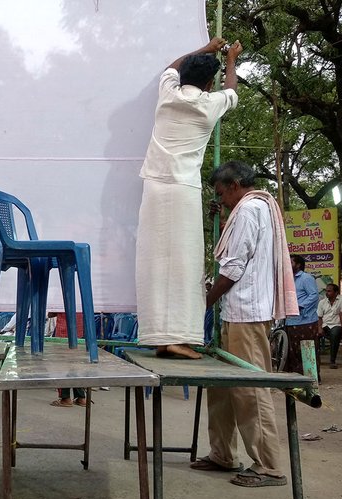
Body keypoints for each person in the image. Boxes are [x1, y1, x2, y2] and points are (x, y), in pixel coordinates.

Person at [191, 160, 297, 488]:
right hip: (236, 312)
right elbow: (237, 250)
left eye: (222, 193)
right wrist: (221, 217)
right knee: (222, 386)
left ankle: (268, 465)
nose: (221, 200)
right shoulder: (244, 211)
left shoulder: (249, 211)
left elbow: (233, 266)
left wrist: (203, 304)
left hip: (247, 314)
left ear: (236, 184)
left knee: (251, 390)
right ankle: (222, 452)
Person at [135, 37, 242, 360]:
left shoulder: (167, 95)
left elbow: (171, 67)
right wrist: (231, 60)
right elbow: (233, 89)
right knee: (184, 264)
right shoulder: (209, 105)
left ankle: (159, 336)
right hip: (183, 190)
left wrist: (207, 49)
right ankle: (178, 338)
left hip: (154, 187)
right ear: (210, 84)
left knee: (154, 262)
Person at [284, 255, 320, 375]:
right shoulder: (288, 279)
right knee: (293, 350)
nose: (288, 265)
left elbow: (314, 295)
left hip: (306, 320)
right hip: (291, 320)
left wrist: (300, 306)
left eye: (291, 262)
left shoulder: (306, 278)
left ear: (298, 265)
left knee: (307, 349)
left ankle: (312, 376)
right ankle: (297, 376)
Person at [317, 283, 342, 369]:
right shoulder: (322, 302)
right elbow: (319, 317)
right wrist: (319, 328)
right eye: (326, 291)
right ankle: (315, 359)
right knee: (312, 335)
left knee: (335, 334)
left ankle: (332, 361)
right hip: (325, 324)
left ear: (336, 292)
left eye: (329, 291)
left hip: (337, 324)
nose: (327, 293)